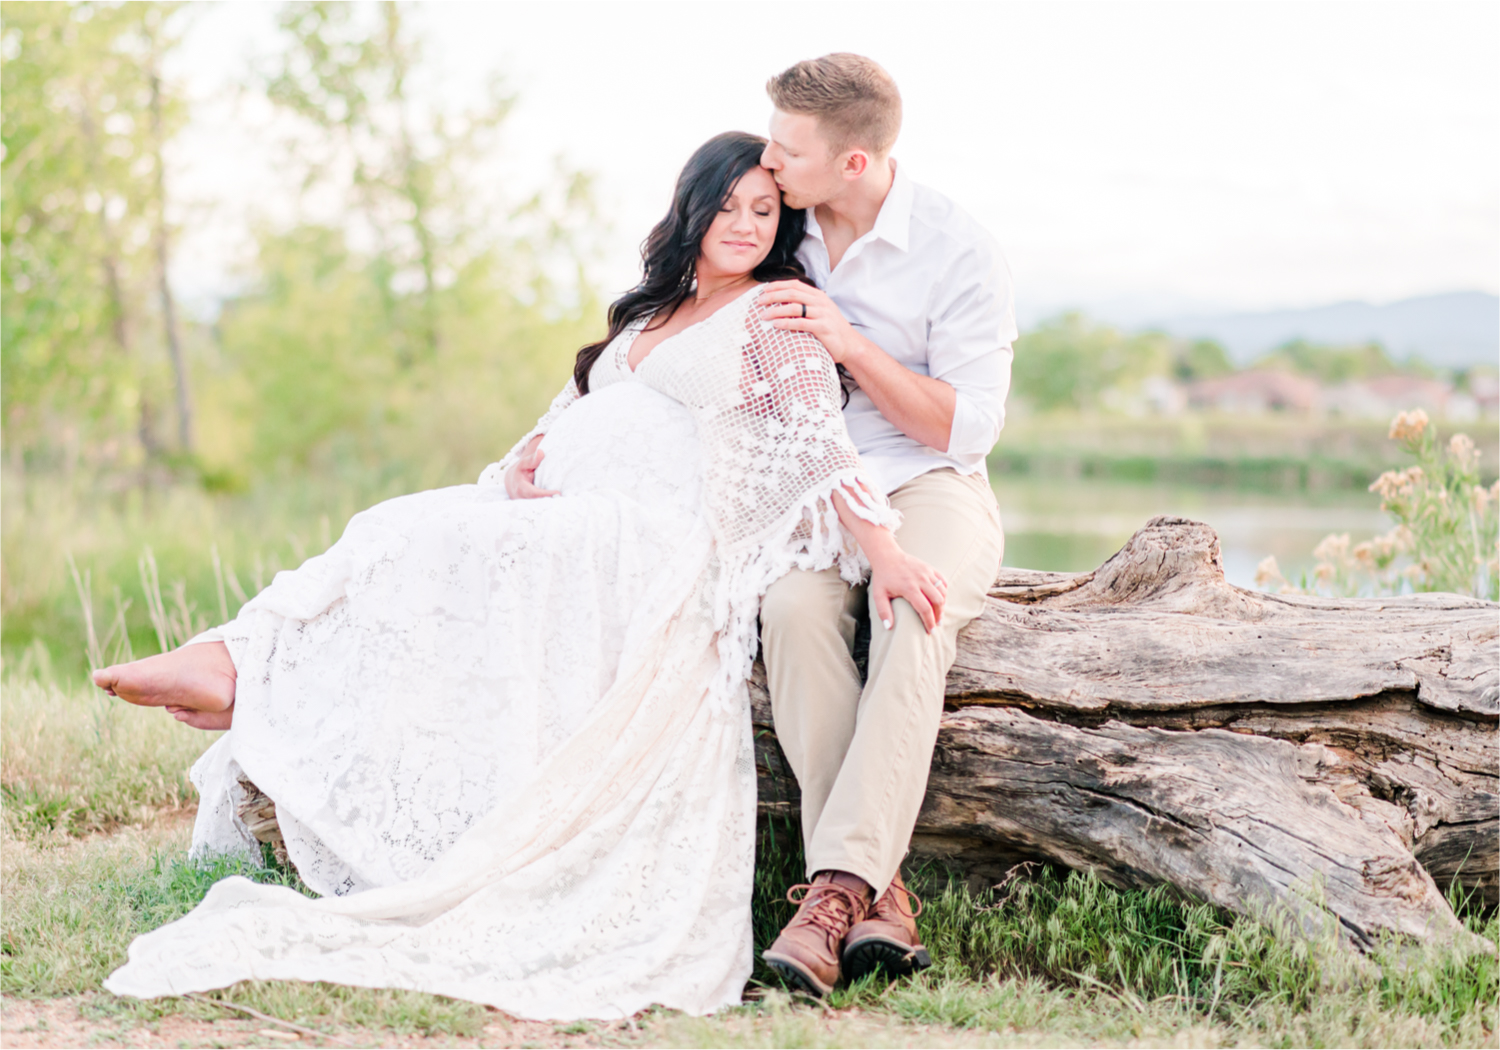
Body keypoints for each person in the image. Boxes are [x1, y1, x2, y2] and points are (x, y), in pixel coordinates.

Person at [94, 131, 948, 1021]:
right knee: (401, 525)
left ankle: (239, 670)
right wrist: (511, 477)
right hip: (573, 514)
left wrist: (883, 547)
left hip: (648, 538)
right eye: (726, 206)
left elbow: (816, 443)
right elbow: (555, 421)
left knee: (449, 547)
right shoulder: (646, 316)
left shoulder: (774, 310)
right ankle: (237, 661)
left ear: (782, 229)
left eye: (763, 212)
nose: (742, 224)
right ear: (691, 211)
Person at [753, 55, 1015, 998]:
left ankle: (827, 900)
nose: (771, 159)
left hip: (932, 482)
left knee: (915, 614)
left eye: (791, 147)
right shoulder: (769, 216)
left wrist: (848, 340)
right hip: (817, 493)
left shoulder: (956, 248)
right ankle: (875, 894)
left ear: (854, 161)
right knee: (788, 610)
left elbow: (965, 425)